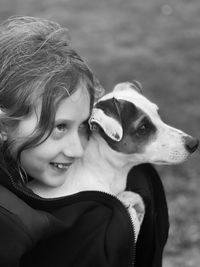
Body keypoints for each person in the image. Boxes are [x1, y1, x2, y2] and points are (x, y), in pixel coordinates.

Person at [0, 16, 169, 267]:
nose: (78, 149)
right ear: (4, 126)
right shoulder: (12, 225)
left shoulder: (135, 178)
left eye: (83, 126)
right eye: (59, 127)